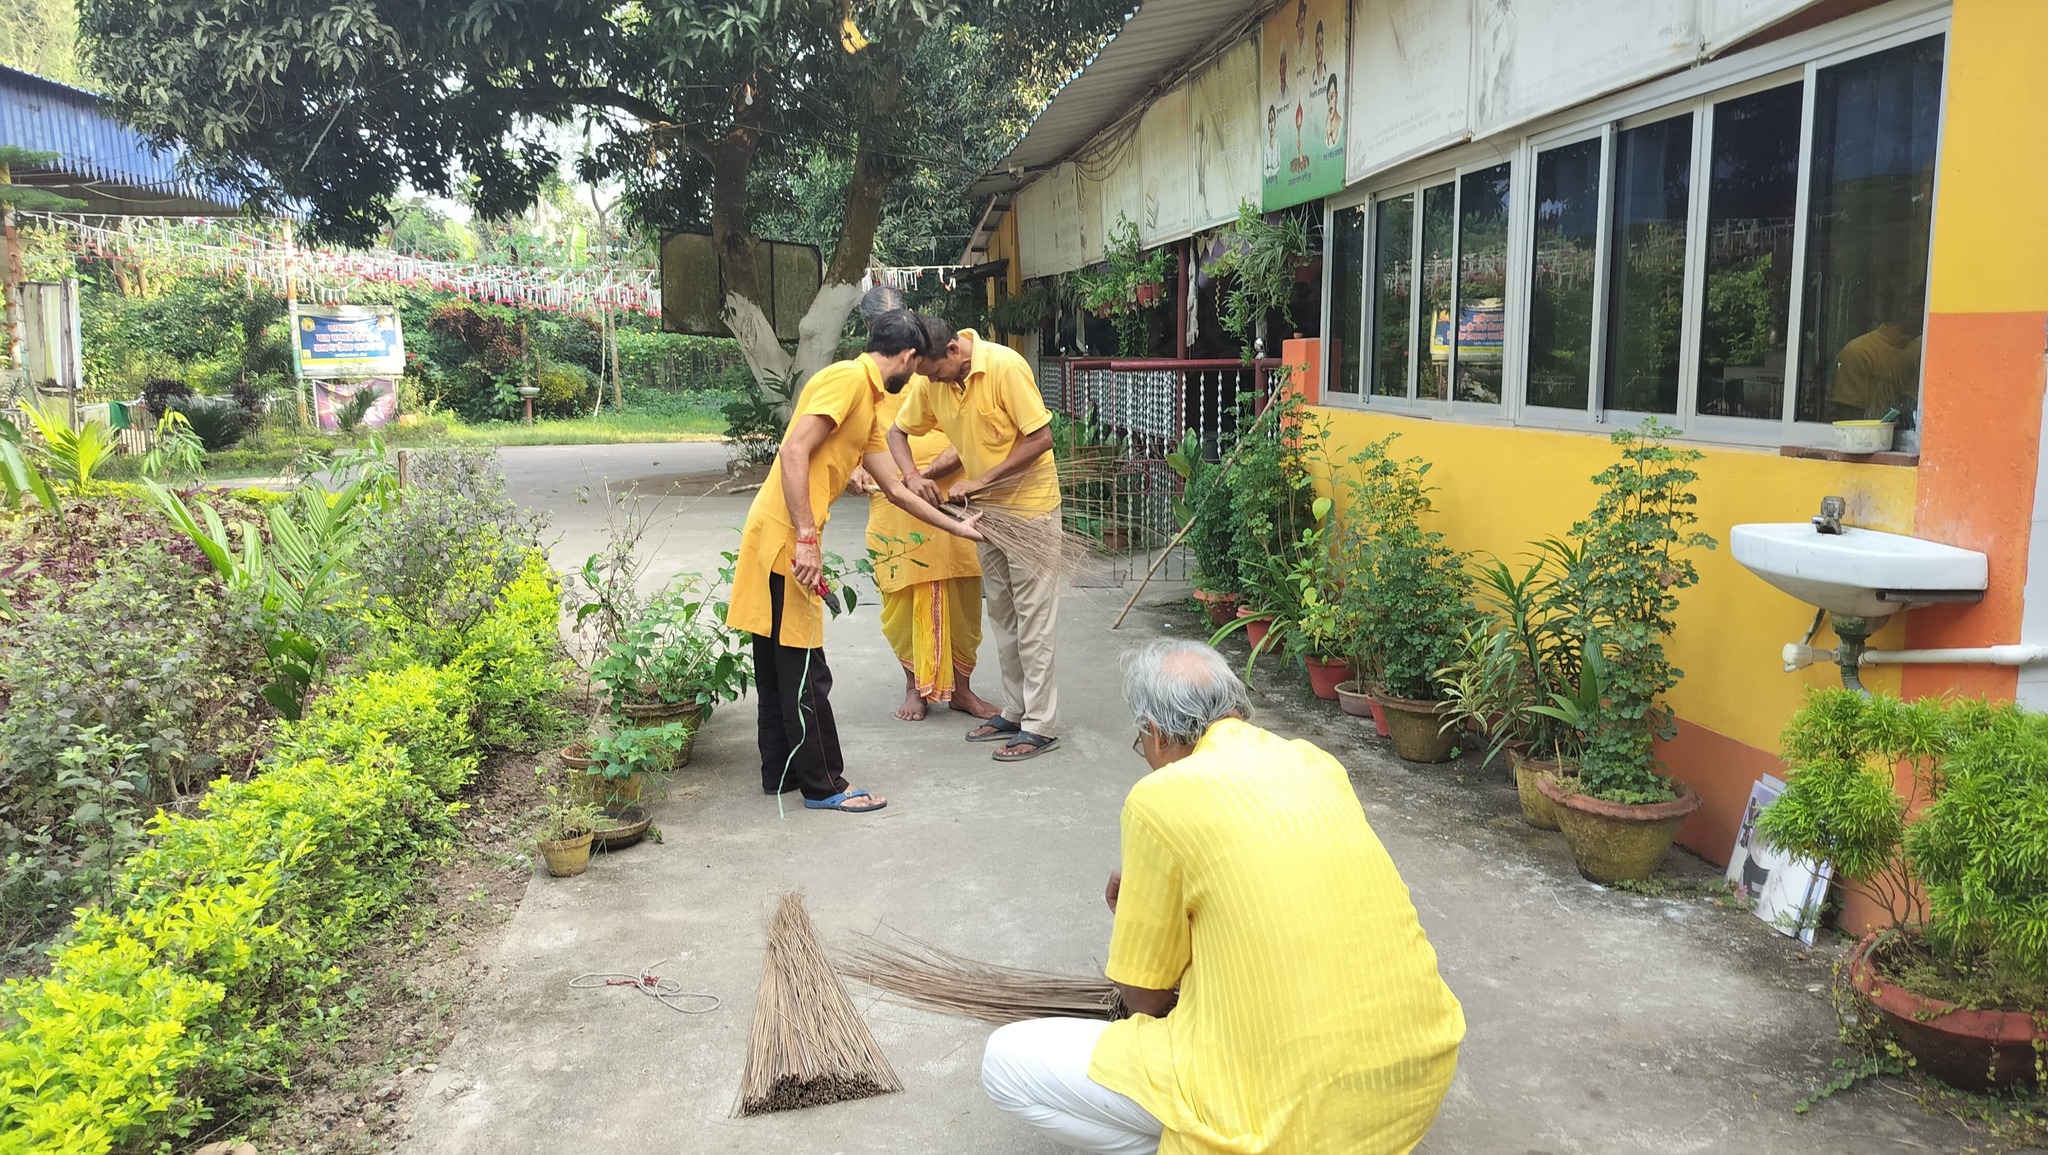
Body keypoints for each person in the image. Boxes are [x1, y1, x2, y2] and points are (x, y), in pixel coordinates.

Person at [982, 640, 1466, 1154]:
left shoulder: (1160, 797)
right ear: (1235, 708)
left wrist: (1139, 918)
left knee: (1004, 1061)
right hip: (1415, 1083)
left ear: (1155, 732)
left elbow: (1144, 1000)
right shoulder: (1315, 762)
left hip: (1298, 1119)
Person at [723, 311, 982, 814]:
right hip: (787, 537)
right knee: (804, 666)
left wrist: (956, 526)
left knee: (779, 663)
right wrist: (806, 538)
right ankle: (824, 786)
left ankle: (781, 773)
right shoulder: (847, 380)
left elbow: (898, 490)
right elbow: (793, 451)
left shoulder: (868, 400)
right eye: (917, 366)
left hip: (780, 533)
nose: (916, 375)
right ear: (908, 357)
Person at [891, 316, 1063, 762]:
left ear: (953, 350)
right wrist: (911, 476)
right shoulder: (933, 381)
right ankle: (1015, 710)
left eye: (933, 372)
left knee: (1034, 622)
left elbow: (1041, 438)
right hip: (987, 518)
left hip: (1030, 512)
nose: (930, 382)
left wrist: (980, 480)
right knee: (1004, 618)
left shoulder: (1005, 367)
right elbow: (896, 432)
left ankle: (1040, 724)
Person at [849, 382, 1000, 723]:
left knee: (962, 597)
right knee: (902, 595)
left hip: (950, 497)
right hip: (894, 508)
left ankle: (961, 690)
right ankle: (914, 687)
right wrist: (855, 469)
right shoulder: (870, 386)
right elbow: (854, 441)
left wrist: (917, 477)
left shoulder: (944, 378)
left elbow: (969, 438)